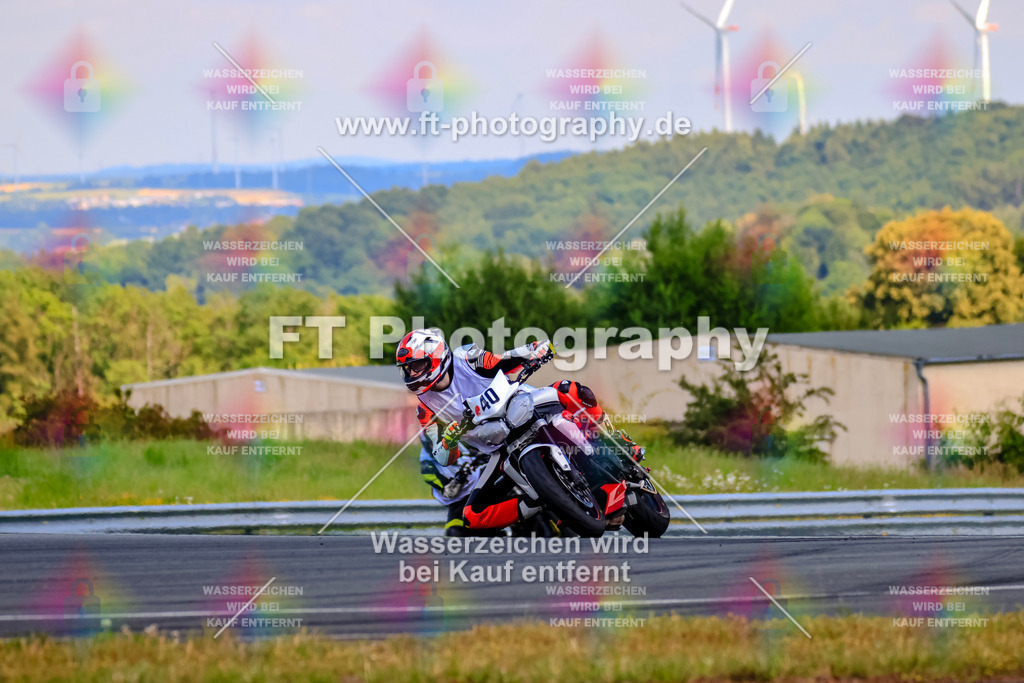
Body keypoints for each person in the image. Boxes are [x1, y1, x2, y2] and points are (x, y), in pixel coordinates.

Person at [397, 328, 642, 532]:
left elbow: (501, 361)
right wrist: (448, 442)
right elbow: (443, 456)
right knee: (473, 516)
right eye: (407, 369)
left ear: (436, 357)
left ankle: (613, 439)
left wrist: (533, 350)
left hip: (523, 405)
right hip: (499, 446)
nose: (412, 373)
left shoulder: (466, 357)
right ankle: (542, 501)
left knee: (570, 389)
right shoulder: (425, 409)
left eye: (417, 365)